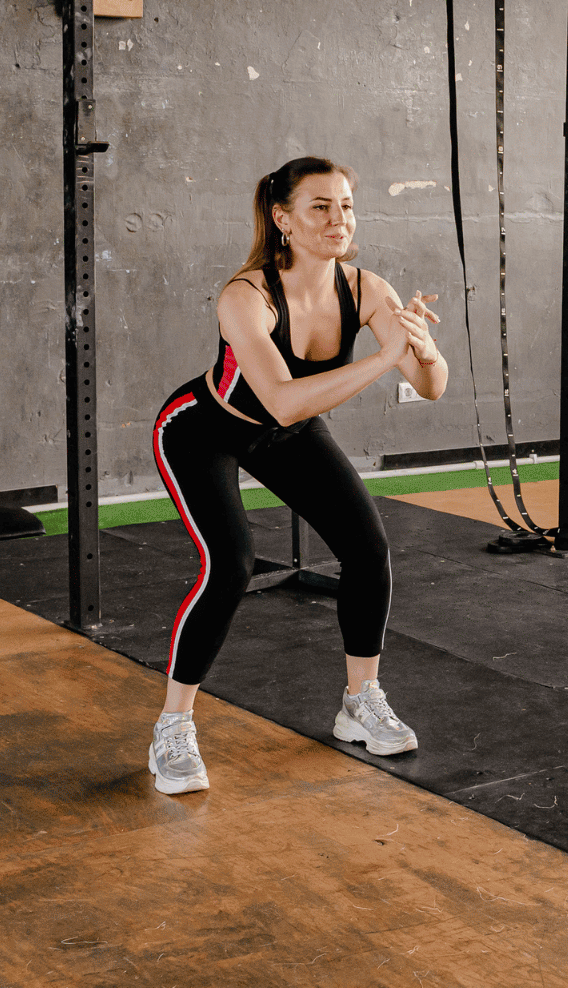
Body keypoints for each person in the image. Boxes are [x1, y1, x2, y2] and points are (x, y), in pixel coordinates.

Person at [146, 156, 449, 795]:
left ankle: (359, 702)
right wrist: (385, 356)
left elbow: (432, 386)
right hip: (203, 431)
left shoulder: (366, 287)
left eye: (345, 206)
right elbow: (282, 398)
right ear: (283, 219)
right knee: (230, 564)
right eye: (320, 207)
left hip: (289, 433)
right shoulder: (245, 294)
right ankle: (173, 728)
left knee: (368, 551)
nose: (338, 220)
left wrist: (418, 347)